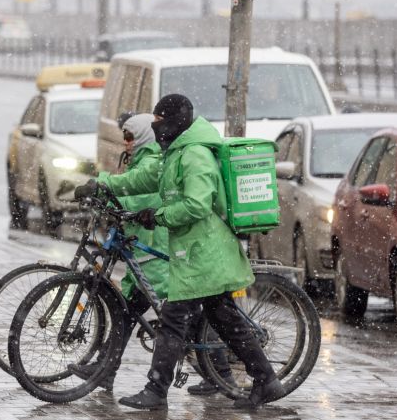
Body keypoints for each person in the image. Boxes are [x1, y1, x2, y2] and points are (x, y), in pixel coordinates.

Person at [75, 94, 284, 410]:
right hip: (196, 252)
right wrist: (103, 184)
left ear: (173, 122)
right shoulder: (175, 153)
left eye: (159, 122)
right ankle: (266, 380)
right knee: (225, 320)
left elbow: (197, 205)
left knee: (174, 320)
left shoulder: (195, 155)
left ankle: (157, 391)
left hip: (205, 253)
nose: (156, 128)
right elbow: (144, 178)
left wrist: (157, 215)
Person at [70, 113, 169, 390]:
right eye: (124, 138)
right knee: (126, 313)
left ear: (144, 137)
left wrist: (101, 187)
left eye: (130, 137)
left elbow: (139, 194)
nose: (126, 143)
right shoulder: (141, 159)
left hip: (156, 252)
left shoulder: (151, 161)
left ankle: (218, 369)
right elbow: (129, 187)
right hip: (143, 253)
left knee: (181, 316)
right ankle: (105, 370)